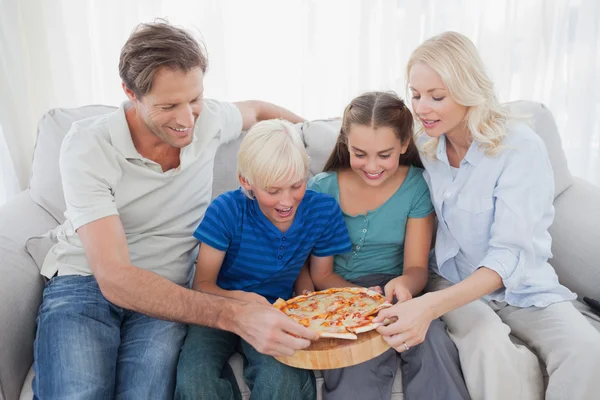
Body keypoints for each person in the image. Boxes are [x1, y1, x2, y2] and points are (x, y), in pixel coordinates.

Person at [32, 21, 318, 399]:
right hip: (84, 282)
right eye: (168, 106)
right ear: (130, 94)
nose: (186, 120)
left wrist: (319, 143)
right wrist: (229, 314)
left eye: (194, 99)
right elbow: (114, 277)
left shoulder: (211, 119)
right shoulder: (88, 144)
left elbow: (261, 110)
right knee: (78, 392)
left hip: (167, 294)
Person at [374, 31, 600, 400]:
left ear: (467, 90)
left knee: (588, 351)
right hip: (452, 281)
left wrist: (426, 307)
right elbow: (366, 140)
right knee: (488, 346)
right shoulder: (426, 143)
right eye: (415, 95)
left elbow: (509, 255)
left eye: (436, 96)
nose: (422, 107)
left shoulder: (519, 147)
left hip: (522, 285)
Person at [307, 91, 470, 400]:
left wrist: (404, 285)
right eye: (360, 154)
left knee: (432, 341)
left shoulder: (416, 186)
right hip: (341, 296)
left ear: (404, 145)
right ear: (345, 144)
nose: (371, 166)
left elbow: (416, 268)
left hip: (399, 294)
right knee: (353, 365)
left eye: (384, 155)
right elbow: (322, 275)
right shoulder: (323, 188)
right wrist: (359, 300)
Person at [175, 119, 352, 399]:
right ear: (247, 182)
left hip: (276, 311)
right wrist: (245, 300)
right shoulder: (226, 211)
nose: (286, 201)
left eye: (296, 185)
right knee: (195, 382)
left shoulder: (322, 210)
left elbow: (319, 276)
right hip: (216, 309)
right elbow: (203, 285)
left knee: (281, 380)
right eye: (273, 191)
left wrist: (335, 299)